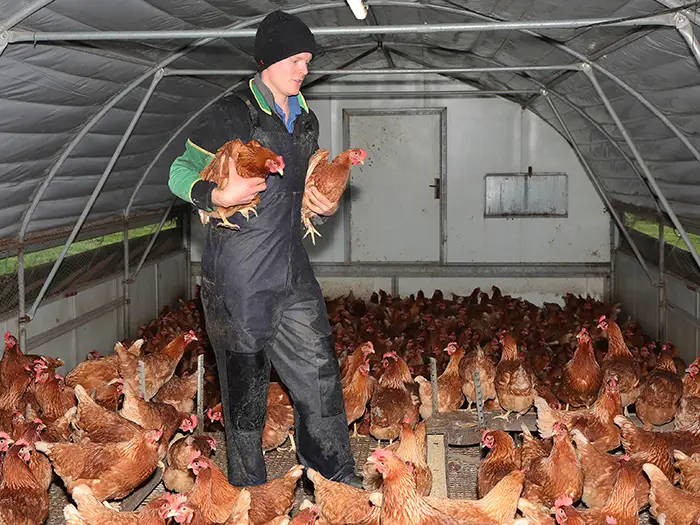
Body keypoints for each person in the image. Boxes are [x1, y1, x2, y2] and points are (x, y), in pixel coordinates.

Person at [168, 10, 361, 489]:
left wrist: (320, 206)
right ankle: (251, 496)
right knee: (247, 393)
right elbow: (178, 170)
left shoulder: (306, 119)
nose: (303, 69)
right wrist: (215, 196)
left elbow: (298, 193)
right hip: (239, 275)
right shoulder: (232, 112)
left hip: (293, 269)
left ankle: (336, 484)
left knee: (321, 378)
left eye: (308, 61)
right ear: (268, 60)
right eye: (295, 59)